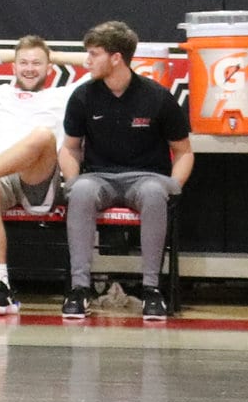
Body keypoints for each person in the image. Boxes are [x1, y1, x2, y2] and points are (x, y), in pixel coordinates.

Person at [60, 19, 192, 323]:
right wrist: (72, 178)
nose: (87, 61)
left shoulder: (157, 97)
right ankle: (80, 289)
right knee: (80, 190)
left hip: (146, 177)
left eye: (94, 54)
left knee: (154, 193)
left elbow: (184, 152)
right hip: (99, 177)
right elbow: (69, 148)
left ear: (116, 57)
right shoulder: (83, 96)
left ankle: (151, 291)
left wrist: (175, 185)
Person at [0, 36, 84, 315]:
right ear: (13, 66)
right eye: (22, 62)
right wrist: (13, 52)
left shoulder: (63, 95)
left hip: (36, 178)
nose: (29, 68)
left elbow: (101, 68)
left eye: (37, 63)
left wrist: (56, 55)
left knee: (42, 135)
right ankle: (2, 288)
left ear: (49, 68)